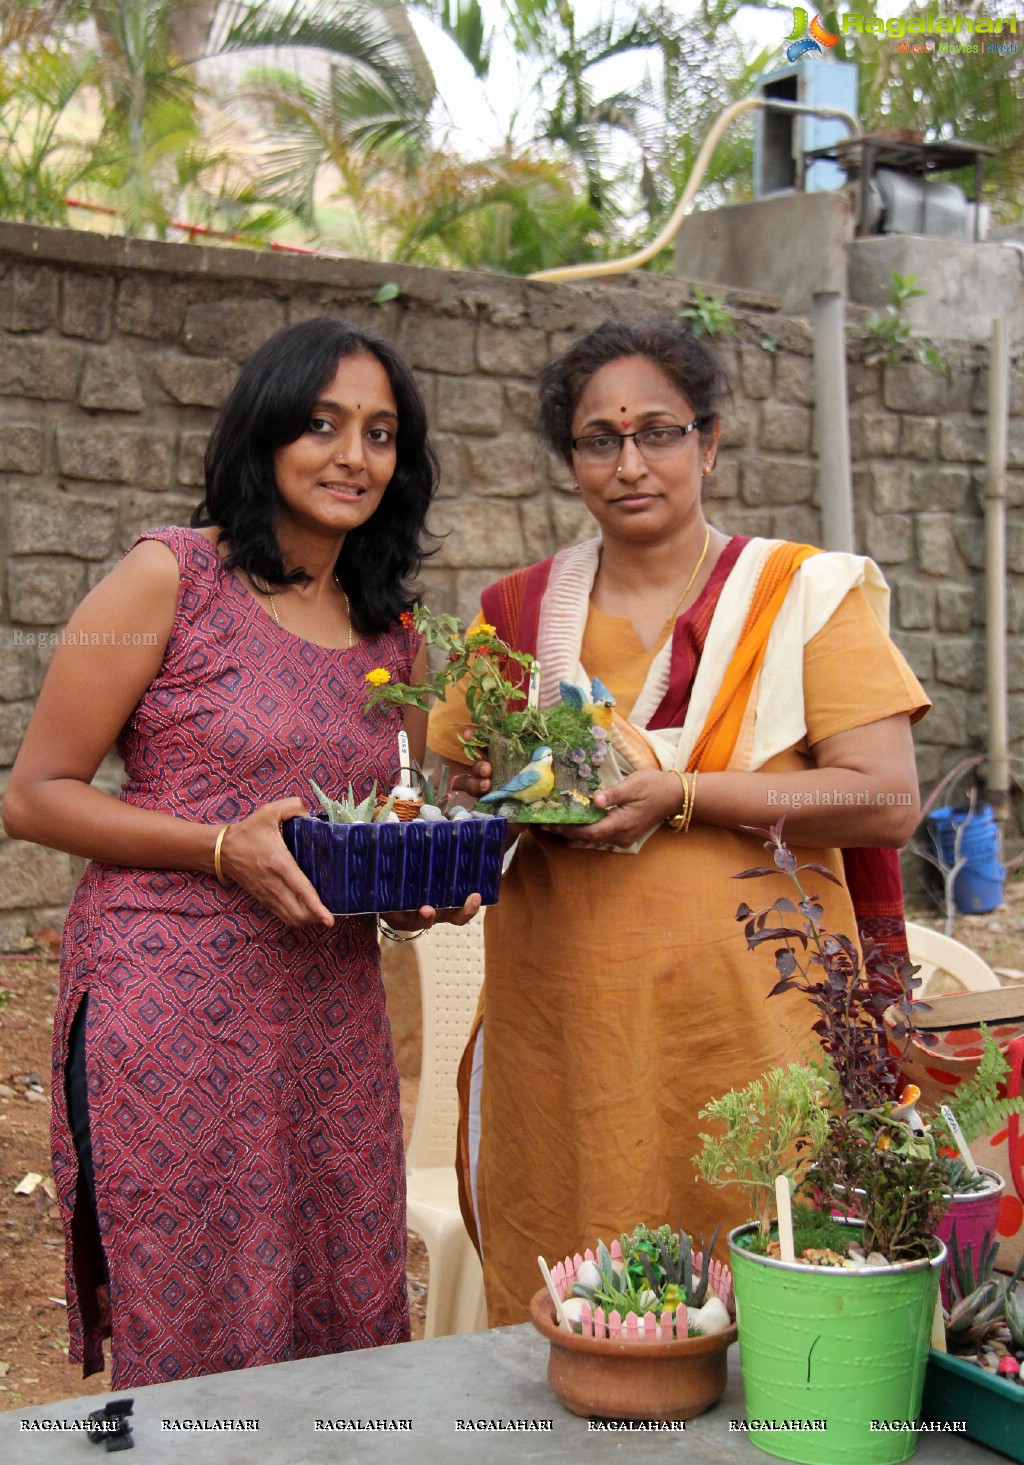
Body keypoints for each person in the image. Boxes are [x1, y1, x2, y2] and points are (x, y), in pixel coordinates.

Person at [2, 316, 479, 1387]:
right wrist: (221, 846)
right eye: (321, 424)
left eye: (379, 432)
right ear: (264, 436)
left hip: (326, 1009)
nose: (352, 455)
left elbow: (369, 831)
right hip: (168, 1004)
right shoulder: (172, 577)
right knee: (202, 1307)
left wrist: (417, 893)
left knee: (334, 1295)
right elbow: (34, 797)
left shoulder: (392, 635)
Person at [427, 317, 930, 1326]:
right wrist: (495, 793)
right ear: (570, 460)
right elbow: (452, 798)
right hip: (568, 1026)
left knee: (770, 1278)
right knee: (574, 1289)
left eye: (658, 431)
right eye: (598, 439)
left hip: (752, 1026)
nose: (630, 463)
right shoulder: (519, 614)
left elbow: (883, 799)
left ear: (709, 440)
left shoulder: (801, 596)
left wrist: (682, 793)